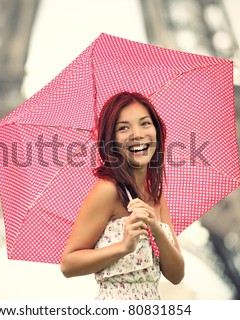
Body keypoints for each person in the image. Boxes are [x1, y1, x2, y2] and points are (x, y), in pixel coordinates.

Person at [60, 91, 184, 300]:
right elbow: (68, 264)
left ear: (157, 130)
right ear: (111, 140)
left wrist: (157, 230)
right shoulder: (108, 190)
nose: (137, 134)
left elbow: (176, 275)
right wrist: (123, 247)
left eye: (145, 123)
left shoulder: (155, 193)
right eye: (123, 128)